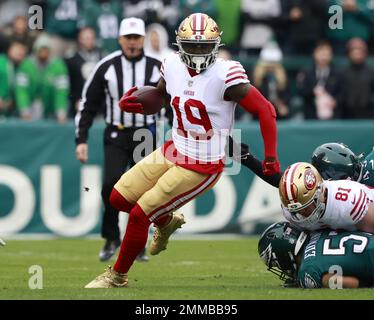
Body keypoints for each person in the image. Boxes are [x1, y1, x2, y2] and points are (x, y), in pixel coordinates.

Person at [84, 13, 280, 288]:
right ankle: (165, 222)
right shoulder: (172, 64)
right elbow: (163, 97)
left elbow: (265, 109)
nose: (198, 51)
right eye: (191, 45)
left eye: (204, 45)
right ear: (179, 44)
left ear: (215, 44)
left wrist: (271, 155)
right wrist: (142, 102)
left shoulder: (226, 74)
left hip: (203, 163)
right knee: (118, 198)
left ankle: (117, 276)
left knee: (140, 215)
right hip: (174, 148)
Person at [75, 17, 161, 262]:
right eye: (128, 38)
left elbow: (174, 102)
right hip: (116, 132)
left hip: (146, 133)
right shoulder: (106, 66)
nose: (132, 43)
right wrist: (81, 139)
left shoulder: (158, 67)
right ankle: (112, 236)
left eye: (137, 38)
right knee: (111, 186)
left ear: (143, 39)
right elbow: (87, 104)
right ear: (120, 39)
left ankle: (137, 242)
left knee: (144, 191)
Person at [258, 221, 374, 288]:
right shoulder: (317, 232)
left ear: (282, 254)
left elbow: (348, 283)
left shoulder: (308, 270)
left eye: (276, 263)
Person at [279, 162, 374, 232]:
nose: (302, 213)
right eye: (297, 210)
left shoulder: (348, 202)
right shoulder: (289, 210)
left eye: (306, 206)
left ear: (320, 191)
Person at [15, 35, 69, 123]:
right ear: (36, 50)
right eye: (41, 49)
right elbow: (21, 90)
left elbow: (61, 91)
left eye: (46, 49)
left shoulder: (59, 66)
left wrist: (61, 111)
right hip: (31, 105)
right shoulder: (26, 65)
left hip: (51, 109)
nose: (43, 52)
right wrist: (24, 110)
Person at [65, 27, 102, 118]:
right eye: (86, 38)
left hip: (99, 103)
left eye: (91, 38)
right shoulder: (72, 60)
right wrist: (75, 100)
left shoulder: (102, 58)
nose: (89, 41)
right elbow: (69, 85)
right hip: (78, 103)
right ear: (80, 39)